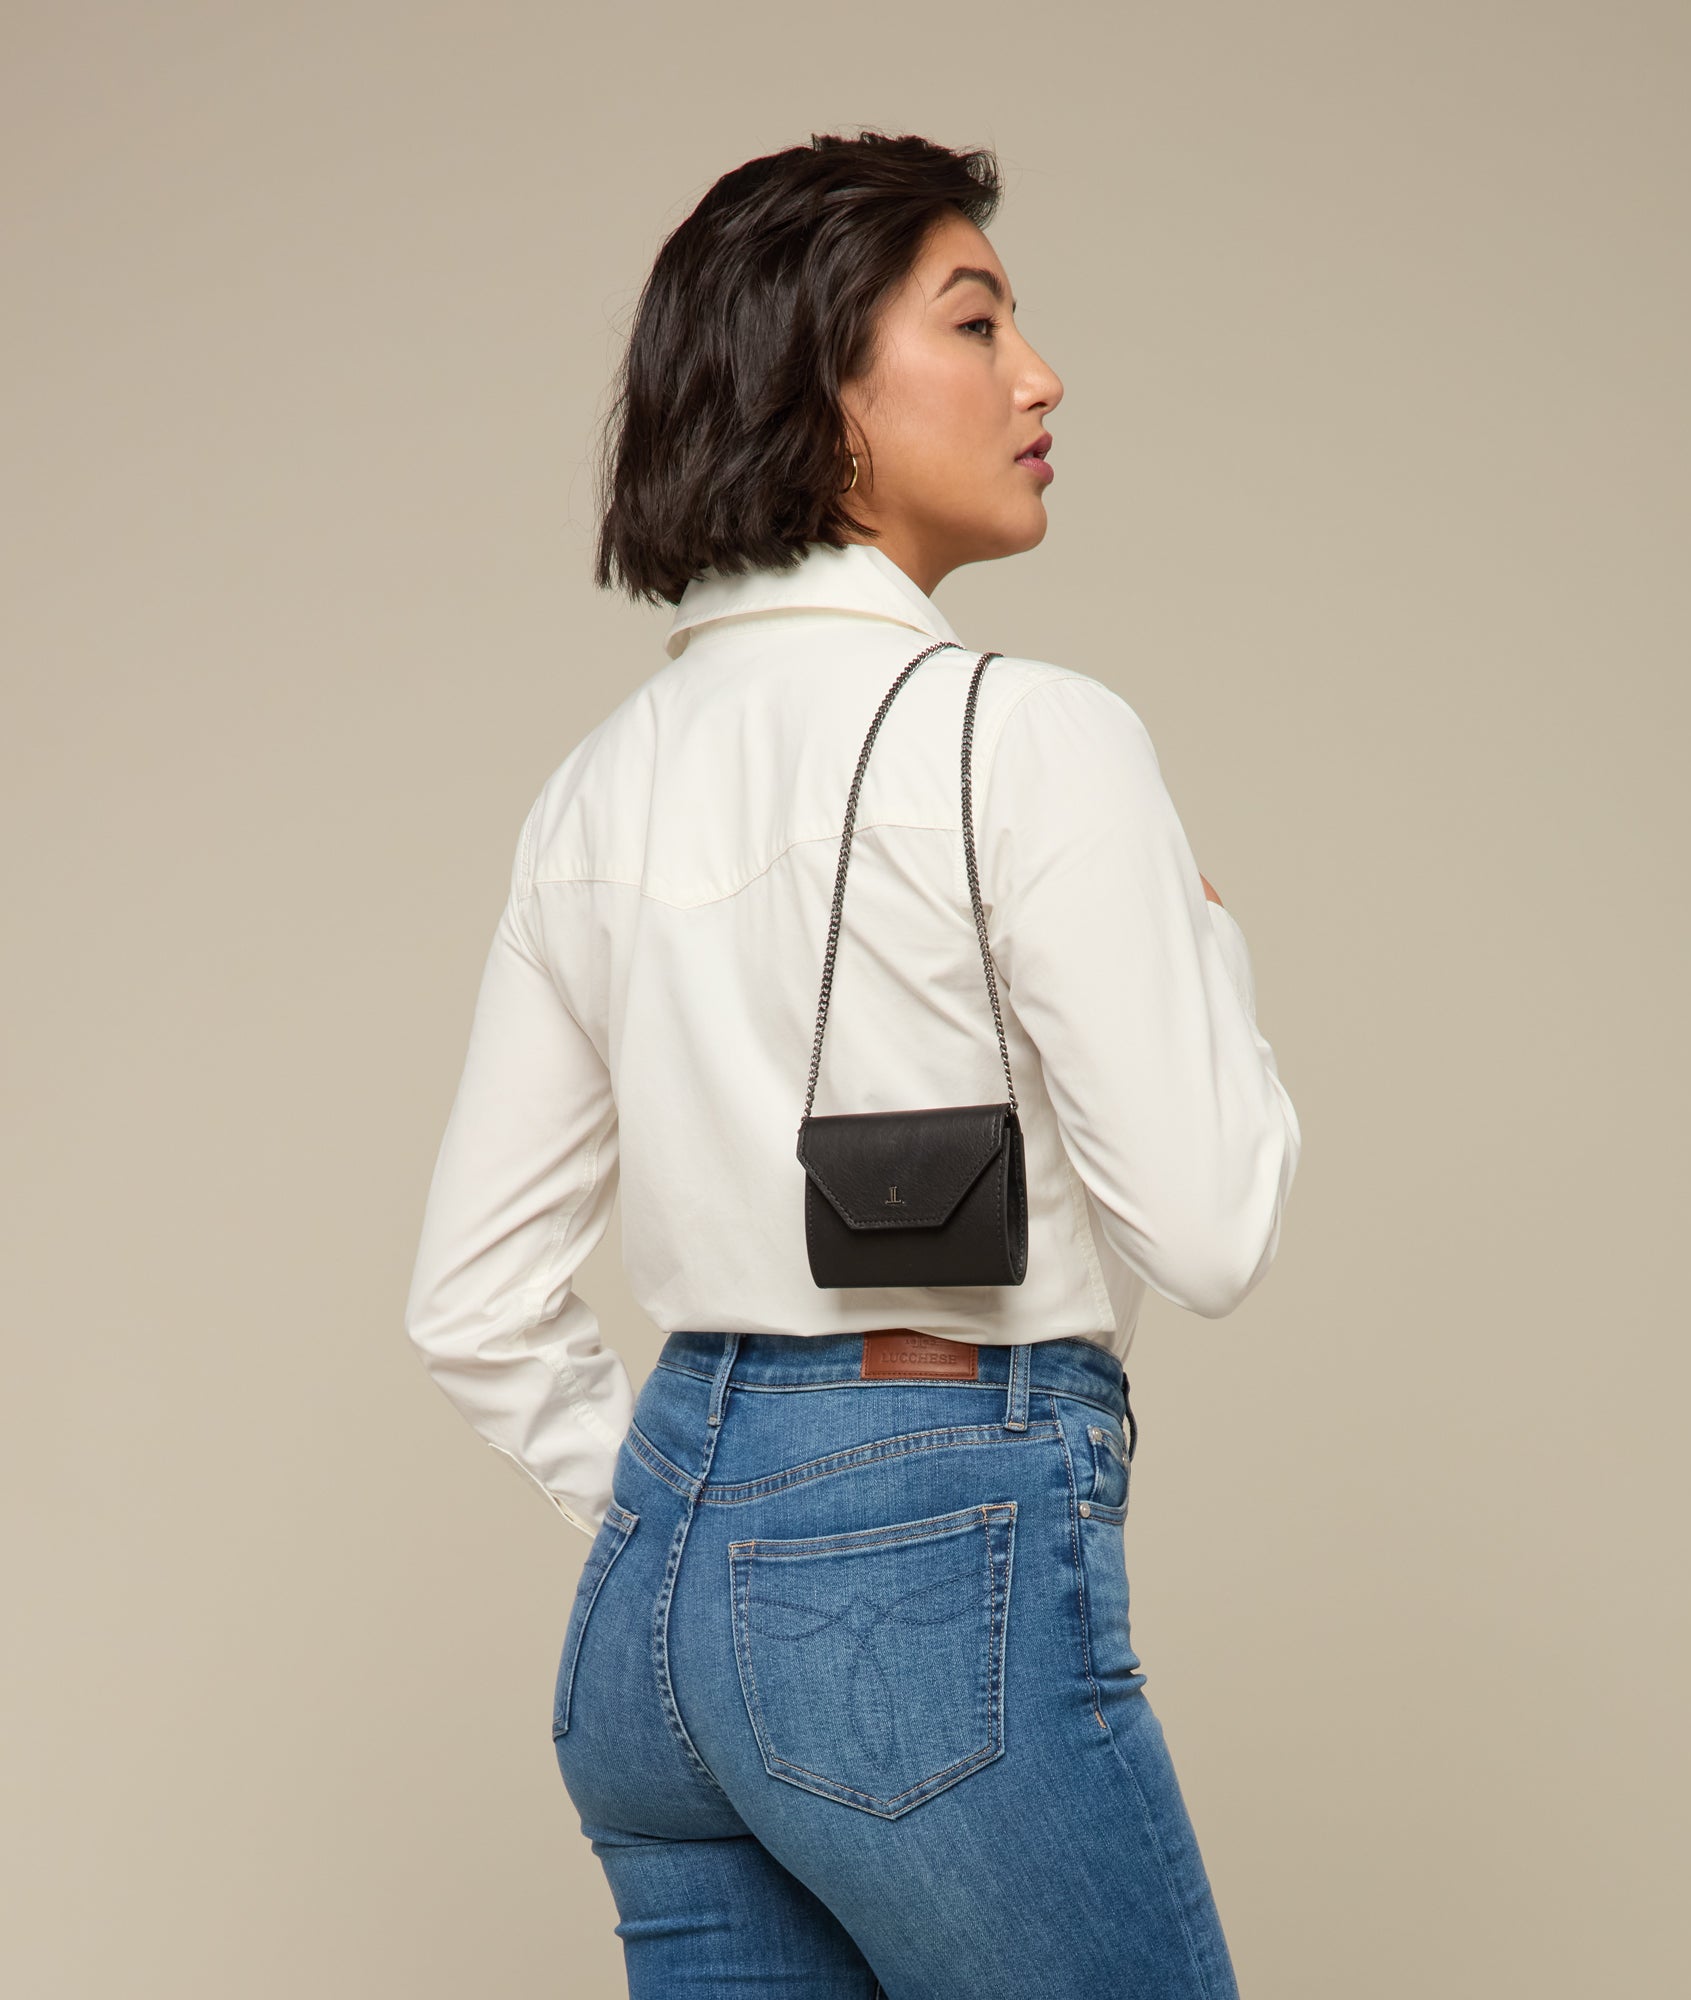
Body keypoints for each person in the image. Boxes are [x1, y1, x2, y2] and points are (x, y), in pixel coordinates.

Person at [403, 129, 1301, 2000]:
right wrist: (1206, 936)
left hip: (652, 1617)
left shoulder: (594, 787)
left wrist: (700, 1520)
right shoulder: (1032, 736)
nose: (1041, 376)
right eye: (975, 323)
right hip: (923, 1590)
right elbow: (1213, 1232)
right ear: (825, 398)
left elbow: (472, 1304)